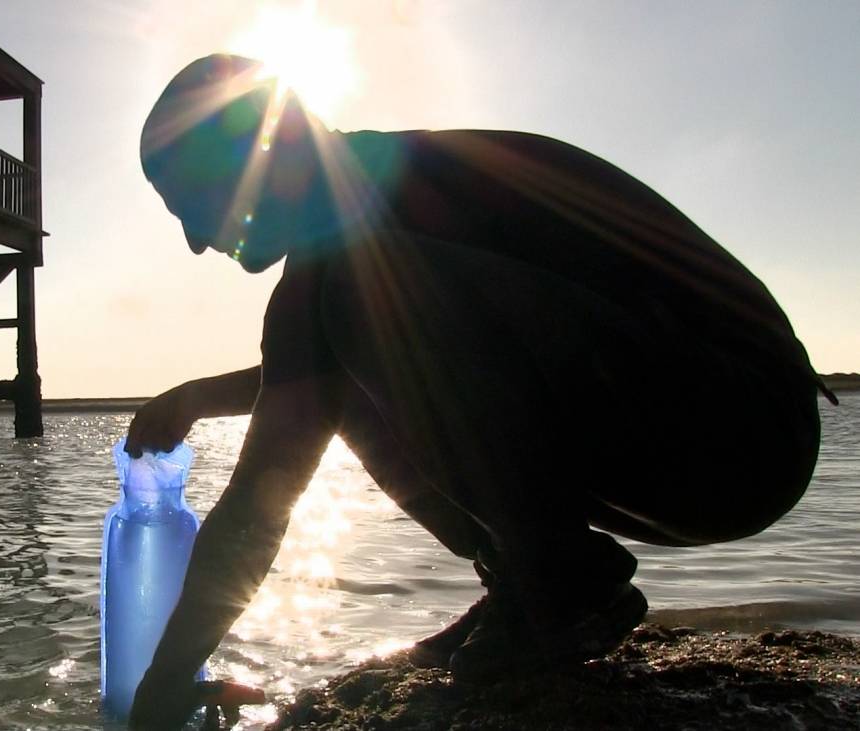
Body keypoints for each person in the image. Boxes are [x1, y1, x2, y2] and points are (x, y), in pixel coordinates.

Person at [124, 54, 832, 729]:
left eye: (191, 200)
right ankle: (521, 579)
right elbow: (340, 373)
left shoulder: (377, 215)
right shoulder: (350, 220)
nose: (192, 239)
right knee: (347, 333)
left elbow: (260, 498)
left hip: (747, 422)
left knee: (354, 305)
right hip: (691, 420)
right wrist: (197, 397)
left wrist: (161, 685)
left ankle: (558, 577)